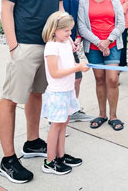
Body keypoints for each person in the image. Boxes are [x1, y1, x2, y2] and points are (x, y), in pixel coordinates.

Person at [0, 0, 66, 184]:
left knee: (37, 95)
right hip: (24, 46)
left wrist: (63, 43)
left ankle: (32, 141)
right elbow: (6, 10)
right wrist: (13, 46)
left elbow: (59, 11)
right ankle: (8, 159)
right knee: (11, 99)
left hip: (49, 47)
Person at [41, 11, 88, 175]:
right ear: (55, 29)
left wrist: (80, 65)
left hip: (67, 91)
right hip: (57, 93)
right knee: (56, 126)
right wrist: (77, 68)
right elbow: (54, 72)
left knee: (63, 125)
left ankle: (60, 156)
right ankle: (49, 161)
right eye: (67, 31)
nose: (70, 34)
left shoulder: (65, 42)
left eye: (71, 30)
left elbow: (71, 63)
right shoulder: (51, 47)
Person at [78, 0, 125, 131]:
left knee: (112, 80)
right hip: (93, 46)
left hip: (112, 45)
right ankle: (102, 114)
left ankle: (114, 116)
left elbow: (121, 23)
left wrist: (108, 41)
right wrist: (99, 43)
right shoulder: (84, 2)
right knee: (99, 79)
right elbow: (82, 27)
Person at [56, 0, 92, 123]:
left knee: (77, 77)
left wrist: (77, 36)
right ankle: (55, 118)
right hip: (57, 43)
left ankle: (73, 110)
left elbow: (75, 17)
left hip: (71, 41)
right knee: (60, 81)